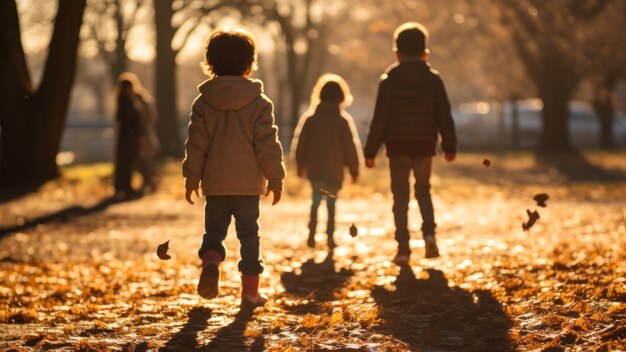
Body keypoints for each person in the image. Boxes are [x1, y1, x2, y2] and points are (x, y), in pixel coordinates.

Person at [182, 27, 285, 308]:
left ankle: (211, 261)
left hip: (215, 185)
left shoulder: (203, 102)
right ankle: (250, 294)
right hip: (248, 186)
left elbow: (196, 144)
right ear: (249, 65)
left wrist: (192, 178)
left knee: (214, 233)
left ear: (210, 63)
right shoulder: (260, 103)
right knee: (249, 237)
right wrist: (275, 178)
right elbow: (267, 144)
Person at [363, 22, 457, 263]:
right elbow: (443, 114)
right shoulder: (434, 79)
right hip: (424, 144)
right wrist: (449, 145)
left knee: (400, 197)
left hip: (398, 146)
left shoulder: (389, 80)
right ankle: (429, 236)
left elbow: (379, 118)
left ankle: (403, 248)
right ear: (425, 53)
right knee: (423, 191)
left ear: (397, 53)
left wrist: (370, 150)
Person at [292, 74, 361, 250]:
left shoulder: (310, 119)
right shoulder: (343, 121)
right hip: (334, 172)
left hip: (315, 170)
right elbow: (350, 148)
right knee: (331, 204)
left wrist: (300, 166)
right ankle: (330, 238)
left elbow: (301, 145)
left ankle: (311, 236)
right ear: (341, 97)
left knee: (315, 202)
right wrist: (354, 171)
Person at [114, 73, 159, 197]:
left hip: (133, 135)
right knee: (136, 160)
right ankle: (138, 184)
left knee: (139, 160)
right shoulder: (129, 100)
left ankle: (146, 182)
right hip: (133, 135)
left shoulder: (134, 99)